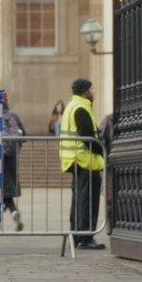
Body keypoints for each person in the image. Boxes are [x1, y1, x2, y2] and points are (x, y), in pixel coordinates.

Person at [60, 78, 105, 250]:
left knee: (79, 201)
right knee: (87, 202)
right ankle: (85, 237)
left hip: (76, 161)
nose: (93, 92)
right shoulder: (81, 108)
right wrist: (102, 149)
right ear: (85, 91)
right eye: (92, 89)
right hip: (85, 161)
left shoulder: (72, 106)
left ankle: (77, 234)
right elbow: (88, 138)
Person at [0, 102, 25, 232]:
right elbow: (24, 135)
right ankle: (10, 211)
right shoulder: (14, 116)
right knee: (6, 189)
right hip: (11, 158)